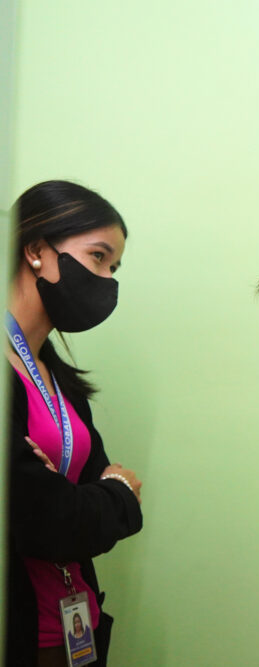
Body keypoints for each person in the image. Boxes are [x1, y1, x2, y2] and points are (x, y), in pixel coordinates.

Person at [5, 181, 144, 667]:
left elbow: (77, 507)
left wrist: (82, 501)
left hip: (76, 627)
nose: (107, 280)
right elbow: (44, 518)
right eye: (98, 257)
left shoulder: (59, 380)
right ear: (36, 250)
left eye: (114, 267)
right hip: (20, 634)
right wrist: (116, 495)